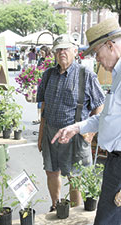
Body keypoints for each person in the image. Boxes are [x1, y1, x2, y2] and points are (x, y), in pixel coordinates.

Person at [51, 18, 121, 225]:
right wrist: (77, 127)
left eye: (97, 54)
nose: (98, 60)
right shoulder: (116, 75)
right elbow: (108, 117)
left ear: (110, 45)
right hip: (114, 163)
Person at [36, 34, 105, 212]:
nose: (61, 52)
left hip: (75, 135)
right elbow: (44, 107)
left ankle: (74, 215)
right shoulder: (48, 75)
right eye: (58, 49)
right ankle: (56, 206)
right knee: (51, 171)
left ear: (75, 51)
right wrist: (41, 134)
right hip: (51, 132)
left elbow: (99, 104)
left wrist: (90, 133)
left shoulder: (86, 74)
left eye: (65, 48)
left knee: (76, 177)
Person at [32, 45, 52, 125]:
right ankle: (39, 117)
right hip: (41, 81)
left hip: (48, 82)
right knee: (39, 100)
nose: (41, 54)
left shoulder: (50, 59)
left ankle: (44, 118)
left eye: (42, 52)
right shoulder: (40, 59)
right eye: (40, 52)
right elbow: (38, 69)